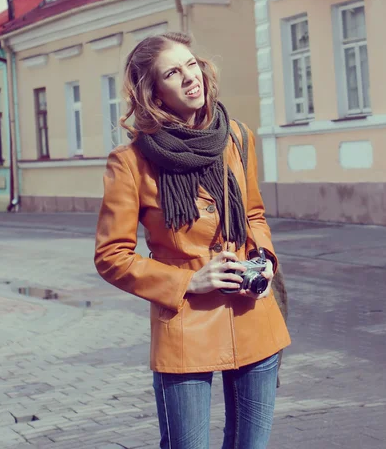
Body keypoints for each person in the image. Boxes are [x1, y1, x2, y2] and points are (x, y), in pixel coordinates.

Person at [94, 32, 291, 449]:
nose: (190, 78)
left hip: (252, 313)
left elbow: (253, 213)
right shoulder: (130, 162)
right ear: (154, 93)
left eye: (191, 64)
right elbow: (112, 255)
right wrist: (187, 282)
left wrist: (265, 258)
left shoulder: (236, 137)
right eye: (173, 72)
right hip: (186, 325)